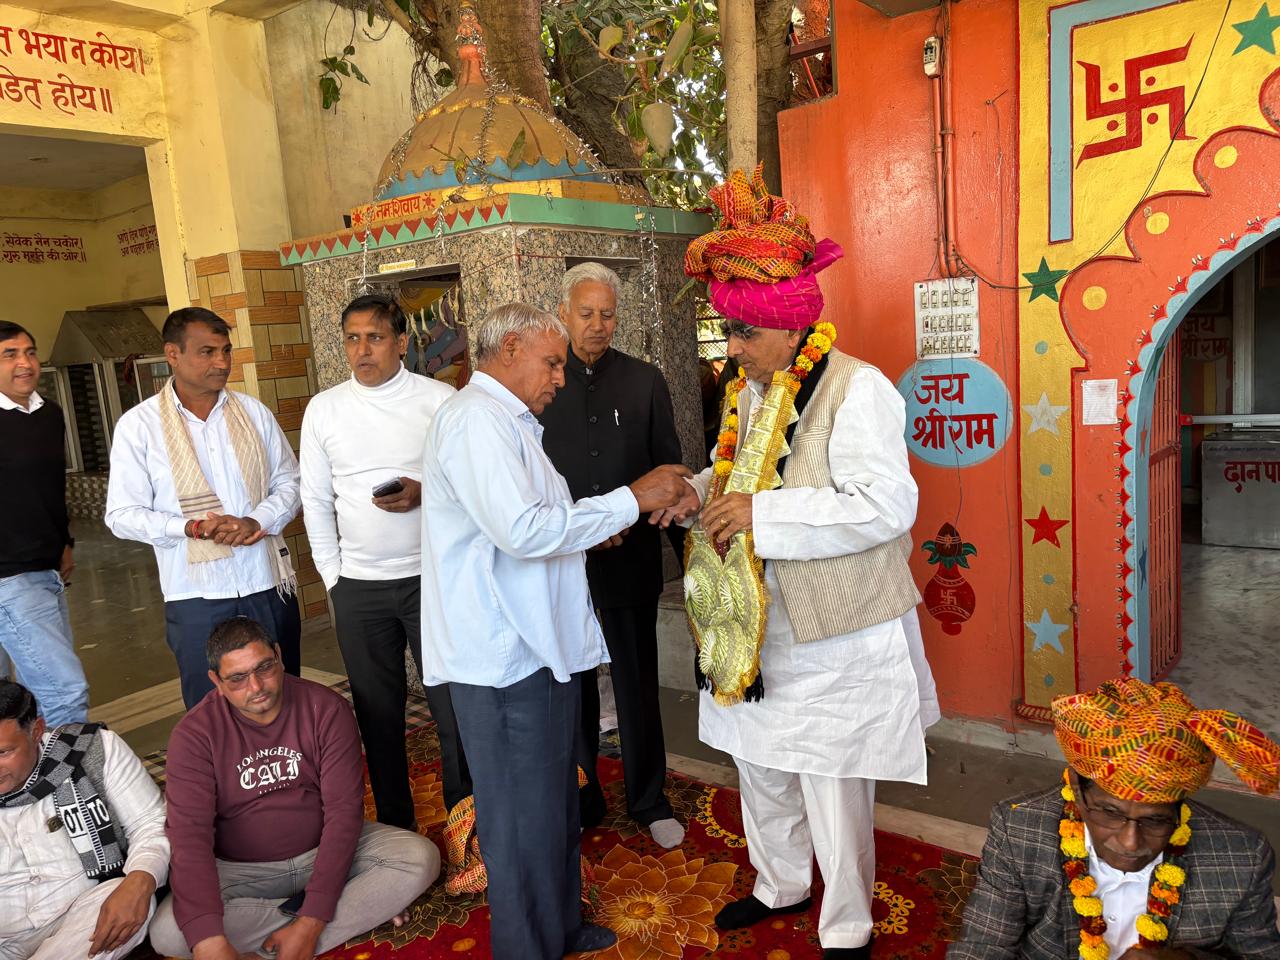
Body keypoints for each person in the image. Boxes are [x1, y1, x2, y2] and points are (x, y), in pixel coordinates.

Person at [676, 167, 940, 960]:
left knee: (831, 777)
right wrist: (695, 492)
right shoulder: (750, 389)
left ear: (791, 328)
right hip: (755, 623)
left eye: (743, 333)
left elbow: (886, 506)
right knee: (758, 762)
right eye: (728, 331)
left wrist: (762, 517)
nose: (732, 348)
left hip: (834, 629)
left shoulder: (858, 390)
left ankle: (848, 924)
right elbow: (740, 474)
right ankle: (779, 884)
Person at [418, 302, 695, 960]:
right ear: (510, 348)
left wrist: (595, 527)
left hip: (535, 647)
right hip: (501, 657)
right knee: (518, 818)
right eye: (552, 363)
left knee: (551, 805)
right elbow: (521, 532)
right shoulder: (475, 421)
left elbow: (541, 520)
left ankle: (560, 925)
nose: (561, 379)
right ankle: (528, 945)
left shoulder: (510, 421)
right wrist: (631, 498)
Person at [149, 616, 439, 960]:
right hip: (241, 871)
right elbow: (190, 837)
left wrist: (311, 922)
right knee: (168, 931)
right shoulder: (194, 735)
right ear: (216, 681)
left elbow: (344, 814)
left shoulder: (326, 708)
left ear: (279, 656)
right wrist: (209, 941)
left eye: (264, 667)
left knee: (419, 859)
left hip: (323, 850)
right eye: (238, 678)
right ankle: (351, 908)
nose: (256, 686)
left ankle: (302, 927)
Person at [951, 677, 1280, 960]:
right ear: (1077, 790)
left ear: (1178, 807)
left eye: (1155, 820)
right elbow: (982, 947)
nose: (1130, 842)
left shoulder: (1242, 856)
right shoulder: (1019, 830)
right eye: (1110, 813)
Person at [300, 293, 471, 830]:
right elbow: (314, 499)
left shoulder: (438, 400)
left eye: (374, 337)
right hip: (359, 588)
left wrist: (425, 491)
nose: (362, 349)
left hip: (432, 581)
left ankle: (466, 822)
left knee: (452, 706)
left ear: (401, 342)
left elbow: (468, 484)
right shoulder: (324, 409)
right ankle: (398, 828)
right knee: (378, 715)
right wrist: (334, 578)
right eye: (352, 338)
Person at [538, 262, 686, 848]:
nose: (597, 325)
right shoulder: (542, 384)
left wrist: (690, 560)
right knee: (572, 683)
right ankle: (582, 798)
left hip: (631, 559)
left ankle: (649, 798)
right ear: (562, 313)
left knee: (636, 683)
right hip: (564, 561)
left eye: (607, 314)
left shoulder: (644, 381)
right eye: (586, 313)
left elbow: (669, 471)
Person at [105, 307, 302, 709]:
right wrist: (189, 528)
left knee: (284, 698)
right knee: (210, 710)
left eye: (226, 350)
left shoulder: (254, 413)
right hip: (195, 595)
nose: (222, 362)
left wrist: (256, 521)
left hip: (265, 583)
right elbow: (121, 515)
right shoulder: (139, 426)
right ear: (172, 354)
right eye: (207, 352)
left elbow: (291, 483)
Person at [0, 678, 169, 960]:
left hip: (82, 917)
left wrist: (140, 880)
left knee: (129, 899)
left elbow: (150, 823)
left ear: (36, 731)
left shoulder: (90, 749)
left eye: (3, 752)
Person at [0, 321, 88, 727]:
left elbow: (51, 487)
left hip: (46, 569)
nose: (25, 363)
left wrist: (64, 543)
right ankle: (70, 766)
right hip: (10, 577)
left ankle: (24, 765)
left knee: (17, 696)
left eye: (30, 352)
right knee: (64, 692)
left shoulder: (48, 414)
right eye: (10, 355)